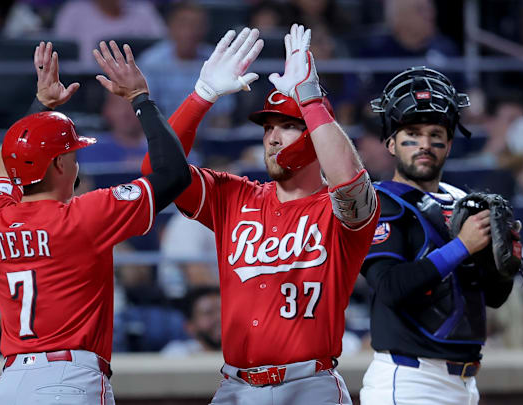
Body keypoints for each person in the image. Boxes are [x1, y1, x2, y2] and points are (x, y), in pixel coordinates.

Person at [141, 25, 379, 404]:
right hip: (235, 385)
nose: (273, 137)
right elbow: (158, 171)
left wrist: (311, 100)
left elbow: (349, 182)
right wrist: (201, 97)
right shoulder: (234, 195)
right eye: (268, 127)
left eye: (287, 126)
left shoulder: (337, 209)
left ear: (316, 135)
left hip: (309, 383)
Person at [0, 40, 190, 404]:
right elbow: (173, 174)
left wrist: (40, 106)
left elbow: (7, 163)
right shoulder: (83, 215)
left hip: (10, 383)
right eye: (72, 153)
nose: (77, 161)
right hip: (68, 378)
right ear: (59, 166)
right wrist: (140, 97)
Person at [359, 66, 516, 405]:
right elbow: (389, 288)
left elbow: (493, 297)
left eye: (435, 134)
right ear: (390, 143)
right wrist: (462, 246)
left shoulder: (462, 201)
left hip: (464, 383)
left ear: (449, 143)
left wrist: (505, 261)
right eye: (412, 133)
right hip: (410, 379)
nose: (425, 144)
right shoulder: (381, 201)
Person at [162, 286, 221, 356]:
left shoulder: (237, 353)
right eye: (209, 312)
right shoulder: (177, 354)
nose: (219, 317)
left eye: (224, 311)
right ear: (190, 326)